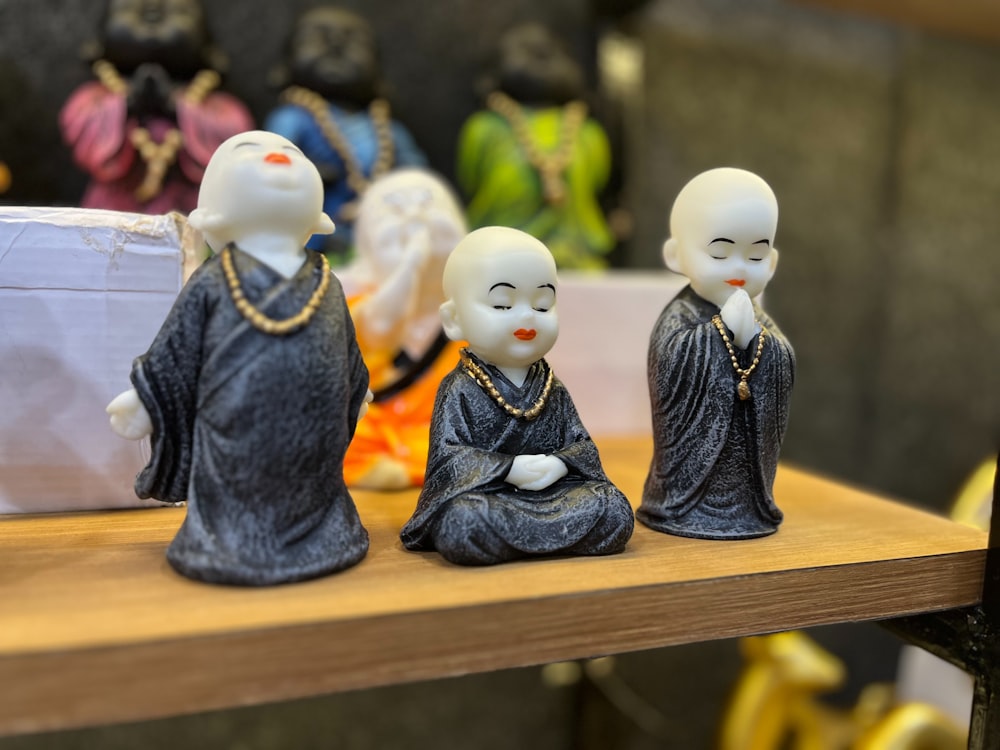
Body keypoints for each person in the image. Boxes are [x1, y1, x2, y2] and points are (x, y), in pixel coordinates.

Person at [106, 130, 371, 585]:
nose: (278, 157)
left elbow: (347, 352)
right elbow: (176, 348)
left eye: (293, 152)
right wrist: (146, 399)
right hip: (237, 438)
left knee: (313, 486)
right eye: (249, 153)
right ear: (211, 213)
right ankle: (227, 540)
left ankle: (325, 532)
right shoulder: (215, 280)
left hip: (314, 440)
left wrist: (357, 389)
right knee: (239, 491)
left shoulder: (327, 282)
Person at [400, 226, 634, 565]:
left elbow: (581, 445)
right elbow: (448, 459)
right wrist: (508, 469)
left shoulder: (551, 385)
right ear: (453, 320)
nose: (527, 317)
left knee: (611, 507)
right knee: (463, 521)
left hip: (553, 495)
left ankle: (520, 542)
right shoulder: (460, 388)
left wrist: (559, 464)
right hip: (491, 496)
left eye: (542, 305)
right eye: (502, 304)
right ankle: (541, 539)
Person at [639, 167, 795, 540]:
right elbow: (670, 364)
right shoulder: (680, 315)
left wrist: (757, 340)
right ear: (676, 256)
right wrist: (717, 334)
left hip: (745, 478)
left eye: (755, 257)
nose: (739, 269)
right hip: (690, 480)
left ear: (772, 263)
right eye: (721, 253)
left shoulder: (756, 315)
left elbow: (784, 359)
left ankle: (749, 508)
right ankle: (683, 505)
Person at [60, 0, 253, 214]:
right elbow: (80, 129)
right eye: (128, 8)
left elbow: (234, 142)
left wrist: (175, 107)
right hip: (114, 205)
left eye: (179, 11)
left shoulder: (215, 103)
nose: (152, 14)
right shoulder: (95, 97)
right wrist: (129, 104)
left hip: (192, 207)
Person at [339, 169, 466, 489]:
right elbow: (382, 328)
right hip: (372, 423)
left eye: (427, 203)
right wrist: (411, 264)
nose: (413, 215)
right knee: (335, 435)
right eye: (394, 209)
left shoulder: (468, 310)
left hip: (437, 428)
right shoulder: (358, 304)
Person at [264, 6, 426, 257]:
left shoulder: (388, 130)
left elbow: (420, 179)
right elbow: (267, 169)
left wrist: (394, 192)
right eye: (317, 38)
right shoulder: (292, 119)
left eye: (356, 42)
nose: (336, 45)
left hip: (375, 240)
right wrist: (308, 174)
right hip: (307, 240)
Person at [456, 23, 614, 270]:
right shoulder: (587, 131)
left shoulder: (483, 128)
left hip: (498, 257)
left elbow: (470, 178)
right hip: (575, 258)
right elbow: (599, 181)